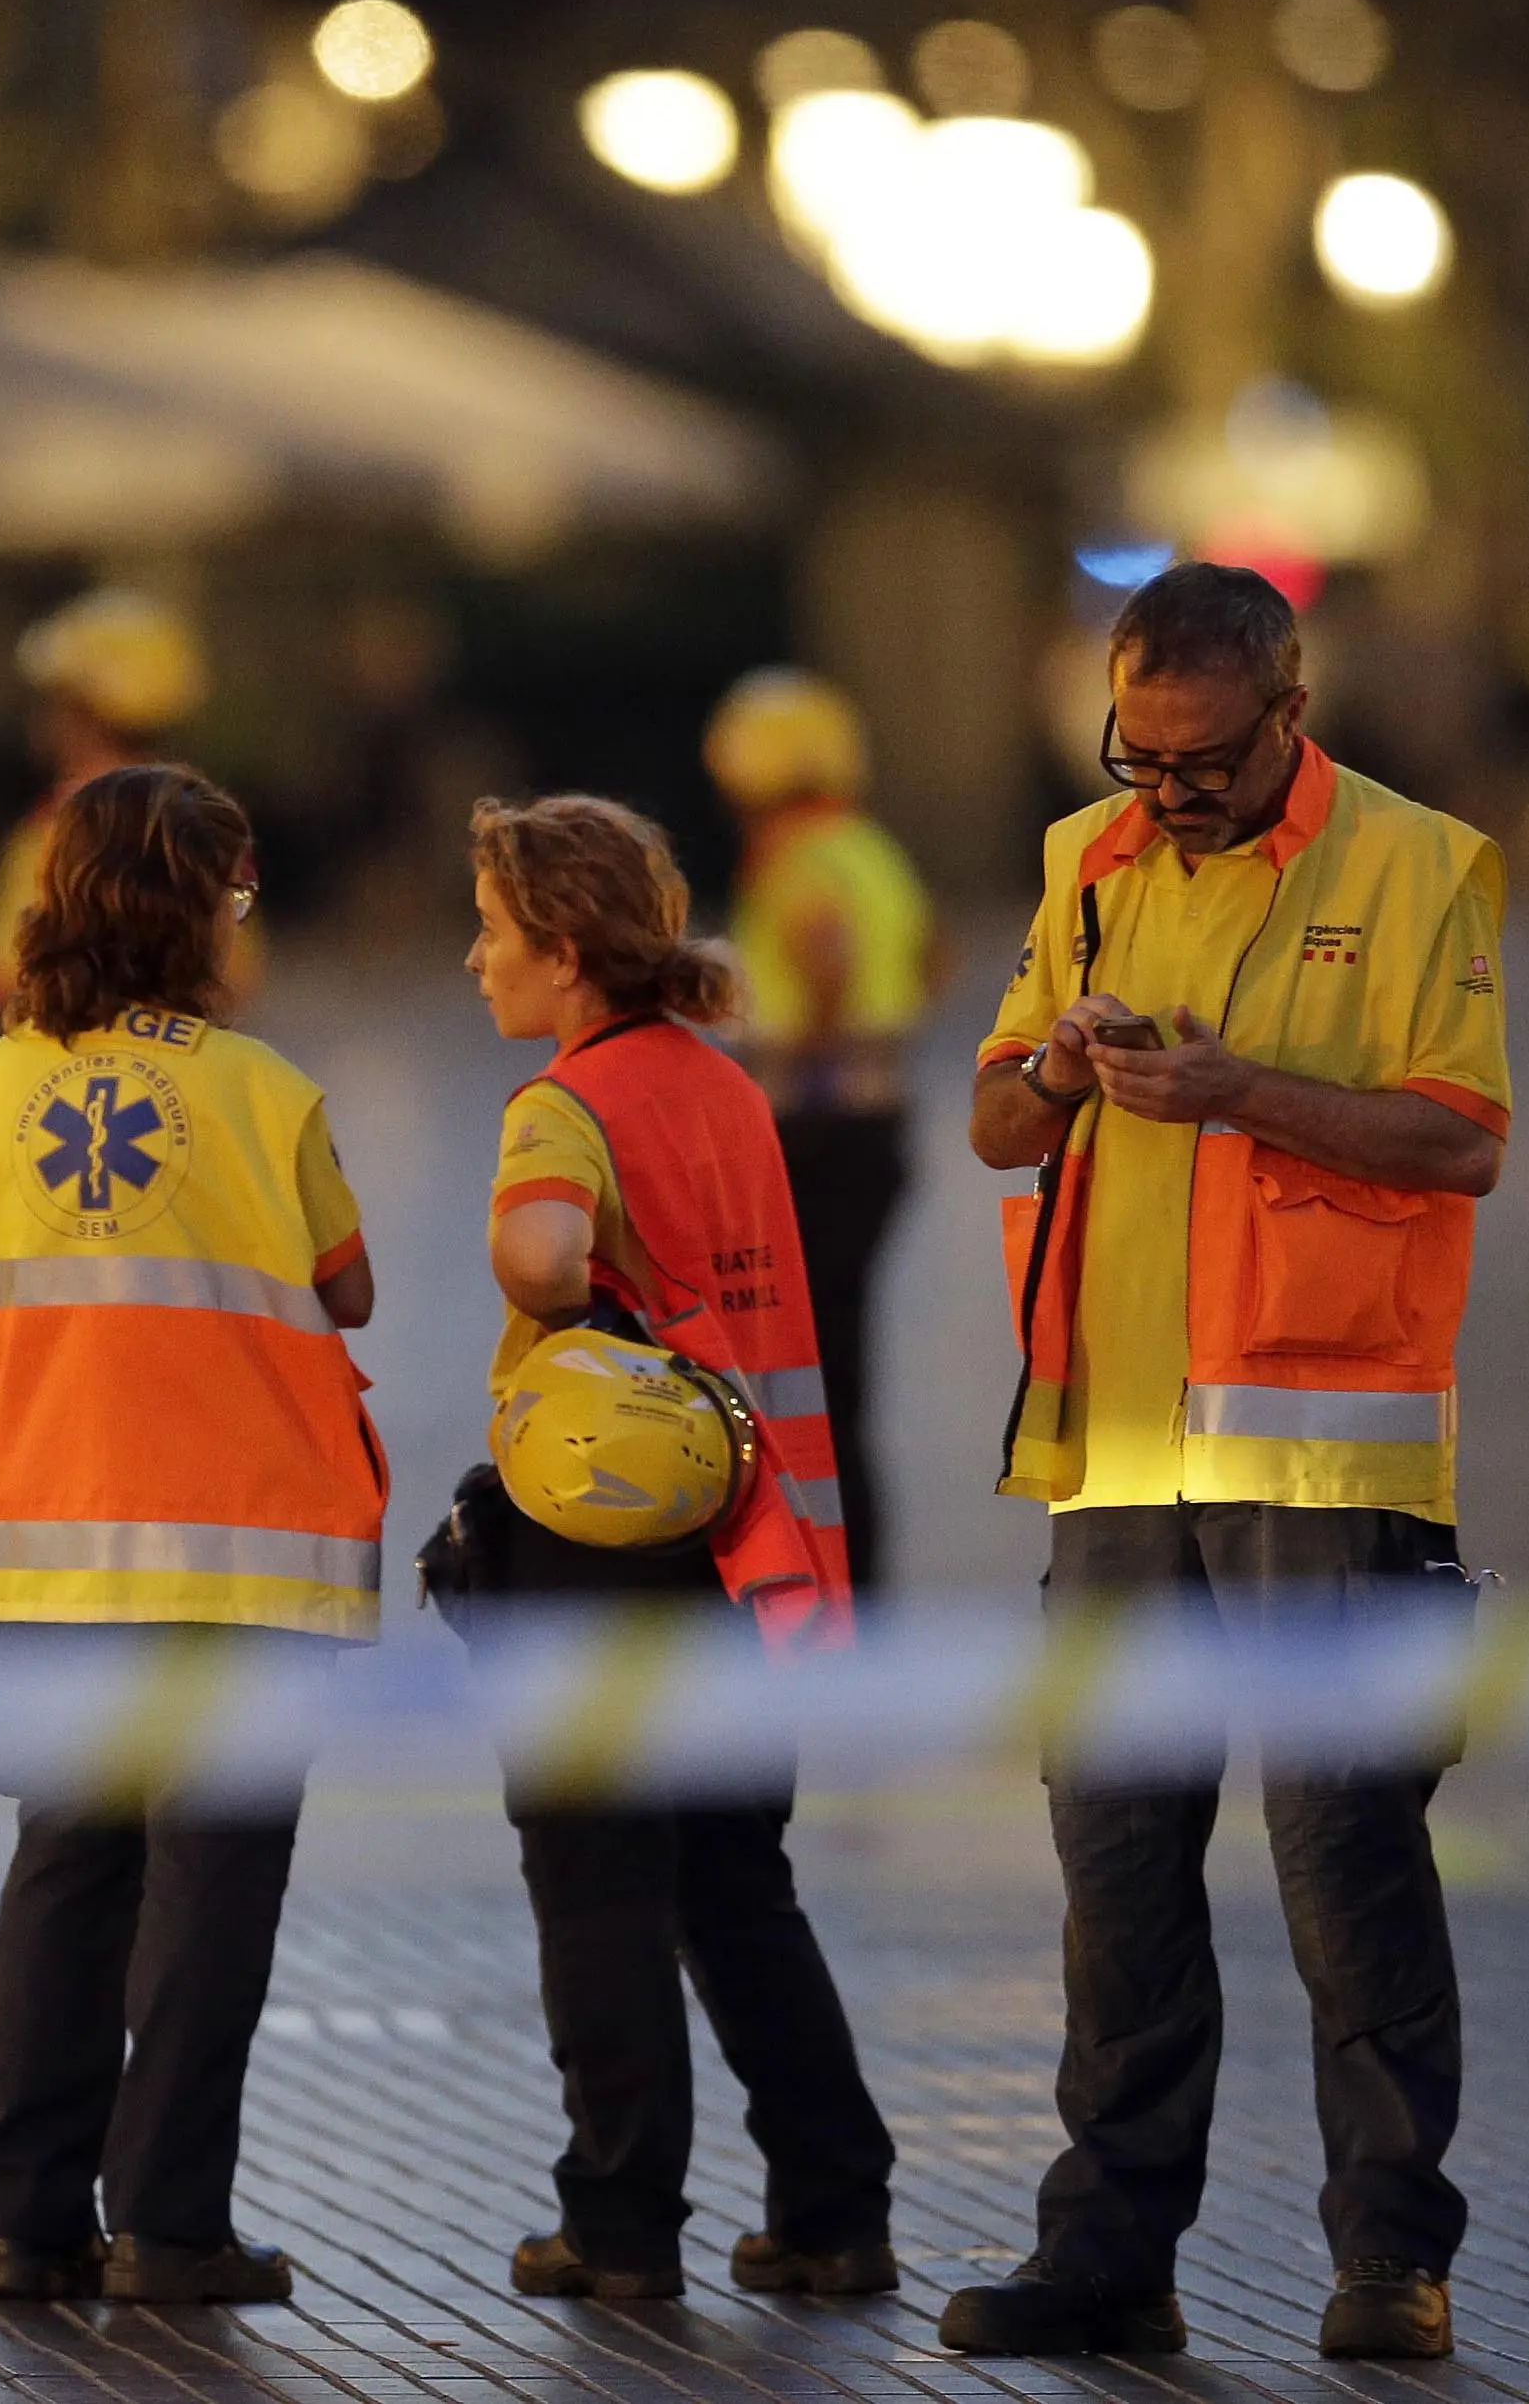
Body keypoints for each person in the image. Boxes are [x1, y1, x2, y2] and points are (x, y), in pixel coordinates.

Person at [940, 559, 1510, 2366]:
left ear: (1290, 709)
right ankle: (1106, 2249)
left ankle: (1389, 2254)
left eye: (1198, 761)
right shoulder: (1082, 860)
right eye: (1137, 753)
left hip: (1326, 1461)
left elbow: (1457, 1140)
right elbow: (989, 1117)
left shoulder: (1420, 866)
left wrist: (1237, 1091)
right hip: (1110, 1450)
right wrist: (1060, 1067)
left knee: (1341, 1857)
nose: (1163, 792)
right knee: (1113, 1868)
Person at [451, 793, 892, 2305]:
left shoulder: (560, 1103)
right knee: (733, 1884)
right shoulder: (721, 1083)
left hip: (606, 1542)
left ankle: (620, 2220)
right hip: (746, 1545)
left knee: (596, 1884)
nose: (473, 959)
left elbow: (543, 1251)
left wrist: (558, 1286)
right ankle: (834, 2207)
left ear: (565, 952)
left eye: (495, 934)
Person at [0, 765, 380, 2309]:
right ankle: (172, 2227)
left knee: (64, 1870)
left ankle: (24, 2220)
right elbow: (346, 1286)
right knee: (206, 1893)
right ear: (205, 908)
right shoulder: (265, 1093)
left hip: (50, 1542)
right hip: (238, 1558)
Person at [0, 585, 213, 1613]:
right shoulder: (206, 832)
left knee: (4, 1343)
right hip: (163, 1131)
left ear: (84, 707)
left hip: (43, 1130)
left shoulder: (66, 827)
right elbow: (234, 985)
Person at [702, 669, 936, 1593]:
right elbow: (929, 956)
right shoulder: (872, 846)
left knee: (805, 1380)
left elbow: (827, 955)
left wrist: (799, 1068)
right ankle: (853, 1574)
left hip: (819, 1138)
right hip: (880, 1130)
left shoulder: (792, 855)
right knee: (843, 1371)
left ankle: (826, 1581)